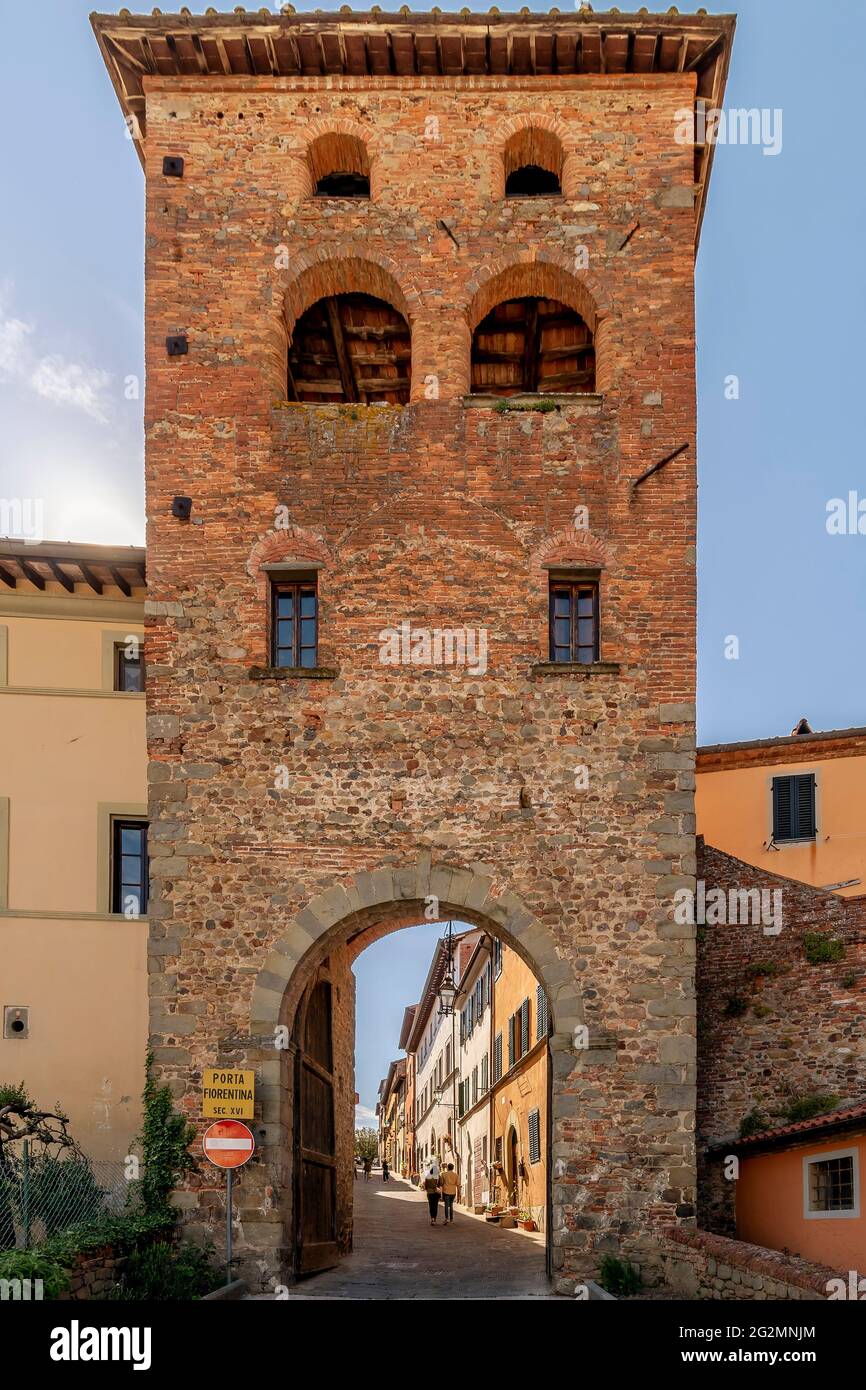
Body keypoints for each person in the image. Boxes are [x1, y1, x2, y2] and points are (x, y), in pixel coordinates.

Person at [422, 1158, 441, 1225]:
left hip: (430, 1193)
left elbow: (426, 1186)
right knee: (435, 1206)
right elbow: (440, 1184)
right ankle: (435, 1219)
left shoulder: (428, 1177)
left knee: (431, 1206)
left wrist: (427, 1189)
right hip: (436, 1193)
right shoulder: (438, 1177)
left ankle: (432, 1219)